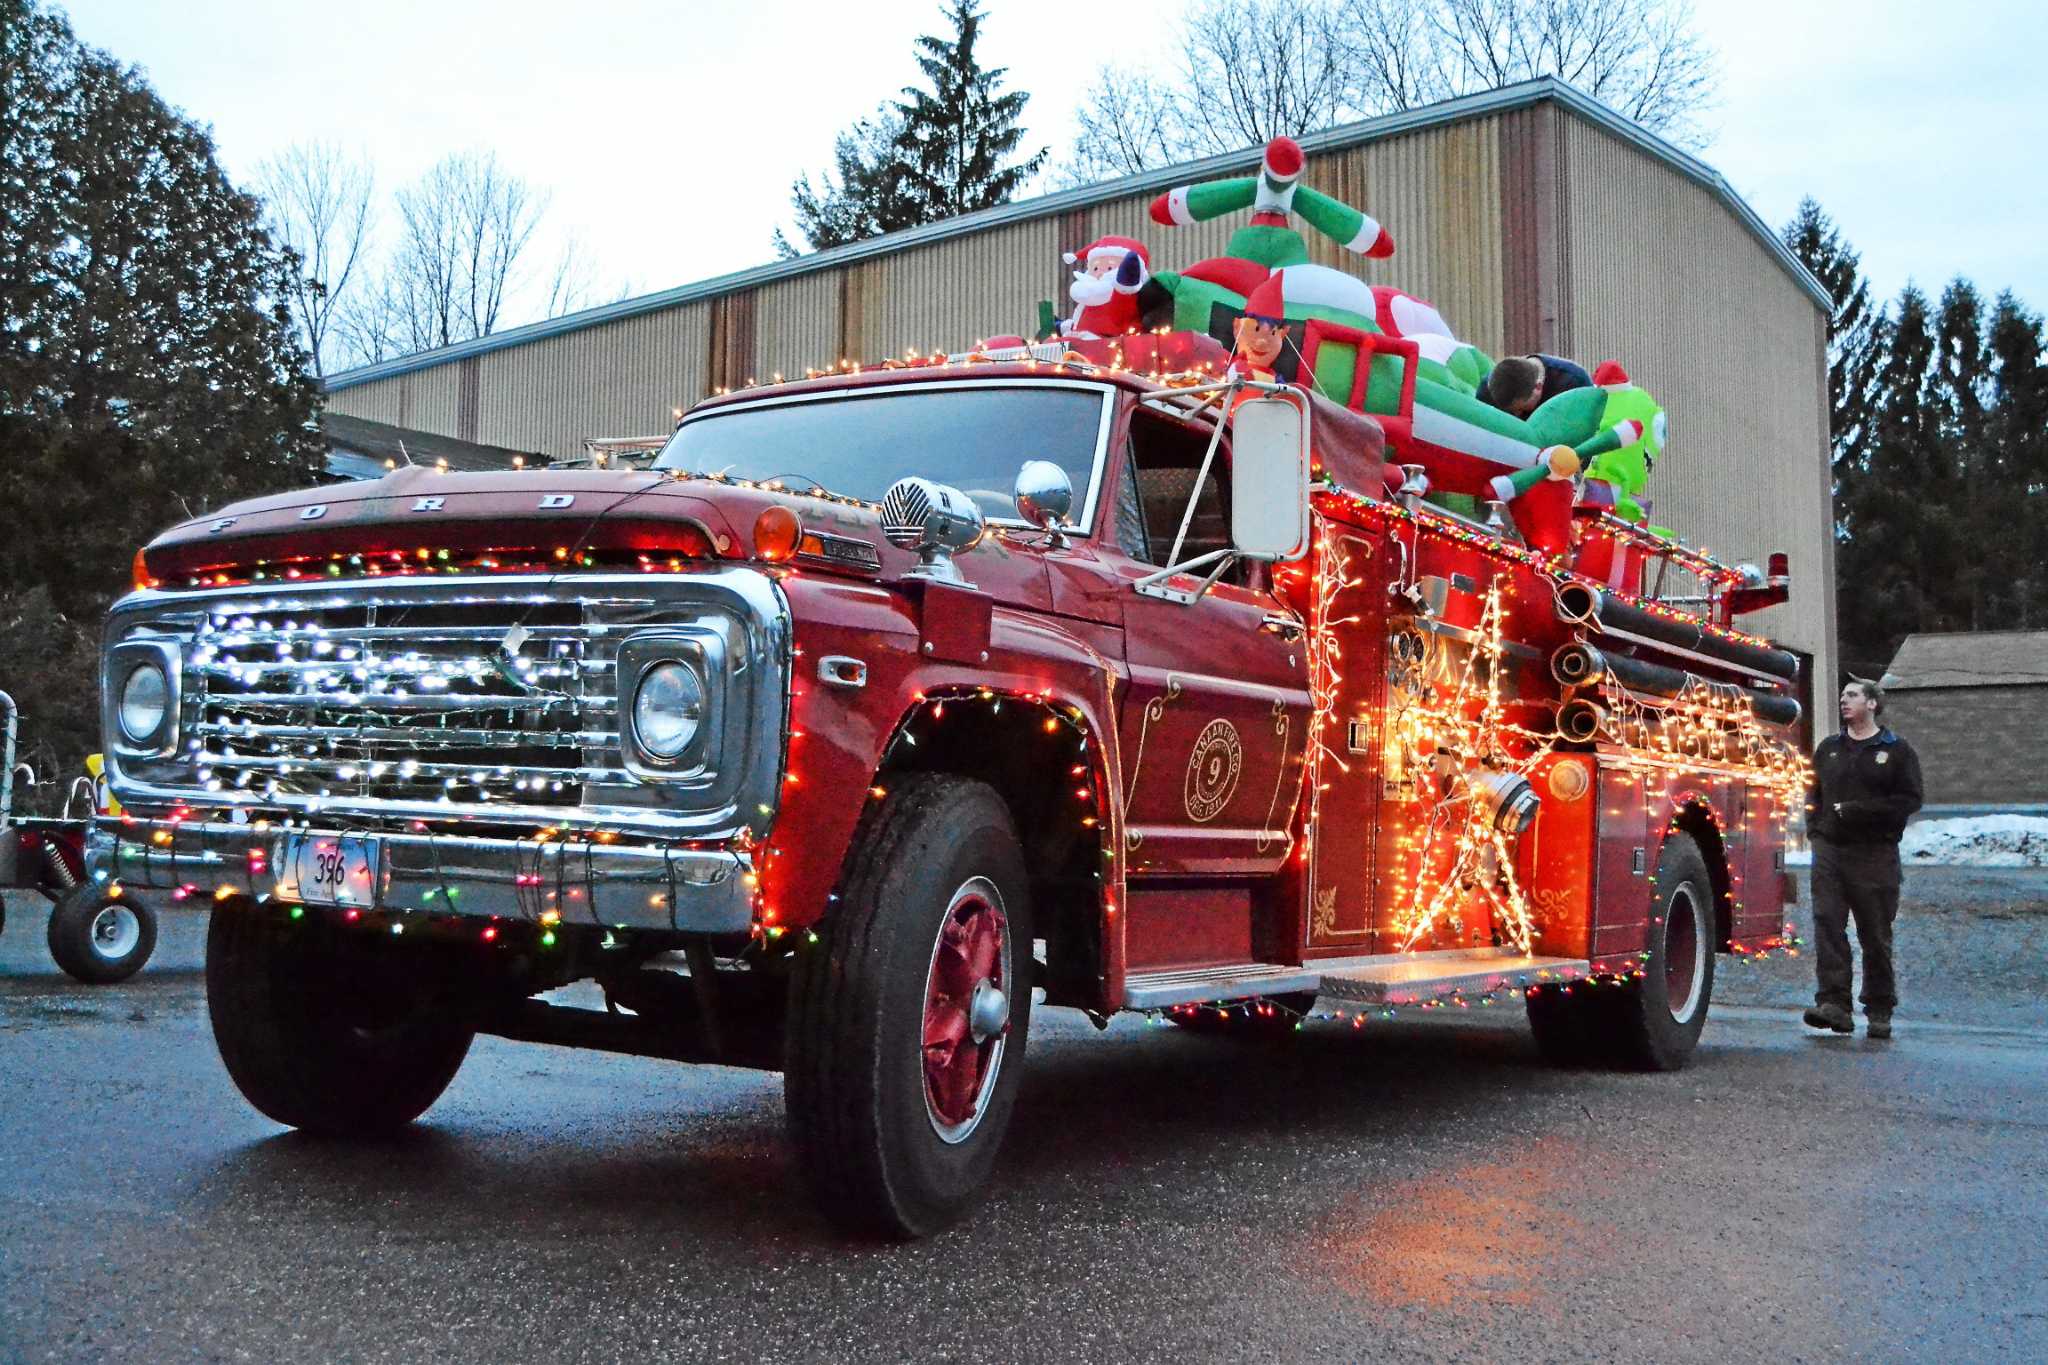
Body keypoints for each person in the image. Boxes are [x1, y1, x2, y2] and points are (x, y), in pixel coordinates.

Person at [1802, 679, 1923, 1039]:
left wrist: (1858, 812)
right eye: (1842, 696)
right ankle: (1834, 1005)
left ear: (1872, 704)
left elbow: (1909, 800)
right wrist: (1817, 829)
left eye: (1852, 695)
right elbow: (1813, 793)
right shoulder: (1829, 749)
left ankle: (1879, 1007)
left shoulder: (1897, 751)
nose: (1844, 700)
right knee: (1828, 924)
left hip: (1875, 854)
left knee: (1874, 933)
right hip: (1831, 851)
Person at [1478, 353, 1592, 418]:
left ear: (1538, 387)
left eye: (1521, 409)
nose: (1517, 416)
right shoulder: (1487, 390)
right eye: (1510, 412)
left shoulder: (1574, 383)